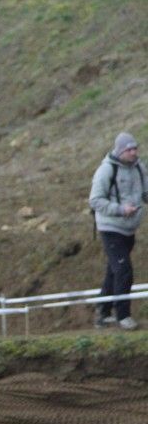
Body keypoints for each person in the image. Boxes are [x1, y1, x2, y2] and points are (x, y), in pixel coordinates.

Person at [89, 132, 148, 330]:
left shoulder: (139, 167)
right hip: (110, 227)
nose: (134, 152)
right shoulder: (106, 170)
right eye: (129, 149)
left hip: (129, 229)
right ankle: (123, 316)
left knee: (114, 271)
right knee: (124, 270)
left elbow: (146, 193)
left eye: (135, 148)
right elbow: (95, 200)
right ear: (120, 151)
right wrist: (121, 210)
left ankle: (102, 312)